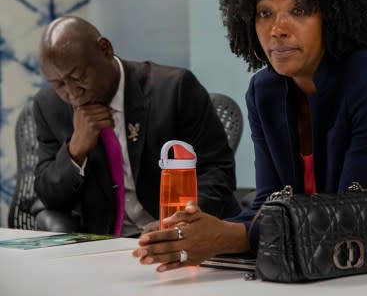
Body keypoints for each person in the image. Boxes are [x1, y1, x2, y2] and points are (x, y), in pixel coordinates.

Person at [133, 0, 367, 271]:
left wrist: (231, 236)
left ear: (332, 16)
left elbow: (354, 214)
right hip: (317, 272)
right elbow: (269, 203)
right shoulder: (264, 91)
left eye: (298, 10)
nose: (277, 29)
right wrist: (198, 229)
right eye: (264, 13)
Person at [34, 16, 240, 236]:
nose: (73, 94)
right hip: (106, 244)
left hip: (180, 236)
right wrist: (75, 151)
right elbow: (48, 194)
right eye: (59, 85)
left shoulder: (175, 89)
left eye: (78, 77)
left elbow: (217, 172)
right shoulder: (50, 107)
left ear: (105, 49)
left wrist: (180, 222)